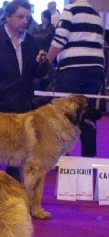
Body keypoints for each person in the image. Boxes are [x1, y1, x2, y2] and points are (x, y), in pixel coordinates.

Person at [0, 0, 48, 181]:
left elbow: (37, 73)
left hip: (23, 111)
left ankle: (14, 200)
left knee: (18, 163)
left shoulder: (32, 42)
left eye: (27, 17)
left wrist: (43, 64)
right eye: (20, 17)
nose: (25, 21)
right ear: (8, 17)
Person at [46, 0, 105, 157]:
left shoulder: (70, 11)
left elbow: (59, 40)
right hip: (95, 69)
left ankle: (62, 157)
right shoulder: (96, 14)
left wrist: (47, 62)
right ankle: (88, 157)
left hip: (72, 69)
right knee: (87, 114)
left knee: (64, 113)